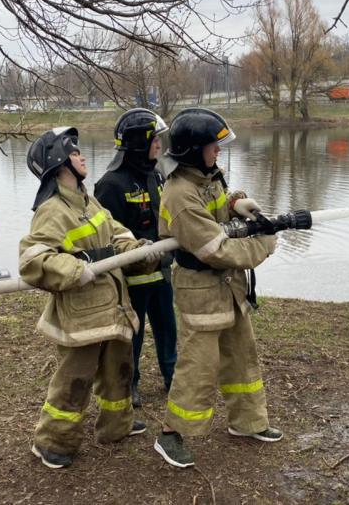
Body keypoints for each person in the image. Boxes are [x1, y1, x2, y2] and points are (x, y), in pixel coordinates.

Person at [19, 126, 156, 469]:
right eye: (74, 151)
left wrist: (137, 250)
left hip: (112, 306)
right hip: (81, 315)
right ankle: (53, 442)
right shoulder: (52, 210)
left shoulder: (87, 199)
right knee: (74, 380)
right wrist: (75, 269)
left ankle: (116, 427)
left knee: (118, 369)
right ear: (59, 162)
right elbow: (33, 260)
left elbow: (116, 232)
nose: (82, 156)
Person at [152, 107, 281, 469]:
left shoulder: (208, 177)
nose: (218, 152)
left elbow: (220, 206)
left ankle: (249, 423)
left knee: (242, 353)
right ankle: (170, 434)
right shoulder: (179, 194)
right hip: (201, 291)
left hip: (229, 288)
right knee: (199, 365)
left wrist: (237, 201)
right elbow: (216, 249)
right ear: (194, 150)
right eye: (213, 146)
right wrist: (264, 243)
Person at [94, 108, 177, 408]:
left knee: (169, 330)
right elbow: (108, 237)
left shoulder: (157, 175)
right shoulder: (110, 184)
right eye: (155, 139)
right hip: (132, 280)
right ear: (139, 141)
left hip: (163, 272)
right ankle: (131, 384)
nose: (159, 144)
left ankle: (173, 379)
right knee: (133, 336)